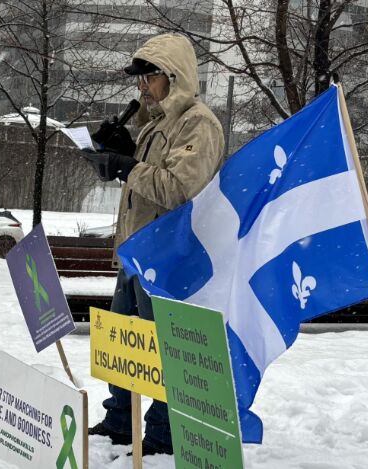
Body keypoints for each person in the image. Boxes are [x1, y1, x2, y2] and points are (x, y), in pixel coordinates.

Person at [81, 33, 225, 456]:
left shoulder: (199, 123)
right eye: (139, 78)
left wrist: (127, 167)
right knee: (124, 344)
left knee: (162, 349)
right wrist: (117, 152)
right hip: (135, 252)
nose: (141, 85)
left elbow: (179, 188)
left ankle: (163, 433)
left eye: (149, 76)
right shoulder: (155, 126)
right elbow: (144, 180)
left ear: (174, 77)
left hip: (168, 257)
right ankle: (120, 422)